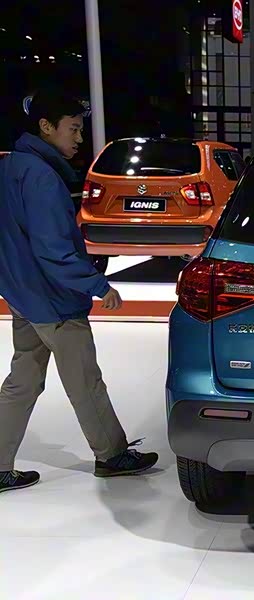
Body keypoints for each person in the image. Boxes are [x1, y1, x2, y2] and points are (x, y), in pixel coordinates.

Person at [0, 90, 158, 494]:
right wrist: (97, 285)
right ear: (46, 127)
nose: (79, 138)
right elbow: (53, 249)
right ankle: (112, 455)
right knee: (85, 381)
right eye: (72, 129)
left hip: (23, 295)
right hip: (53, 299)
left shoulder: (12, 166)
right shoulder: (41, 177)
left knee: (22, 381)